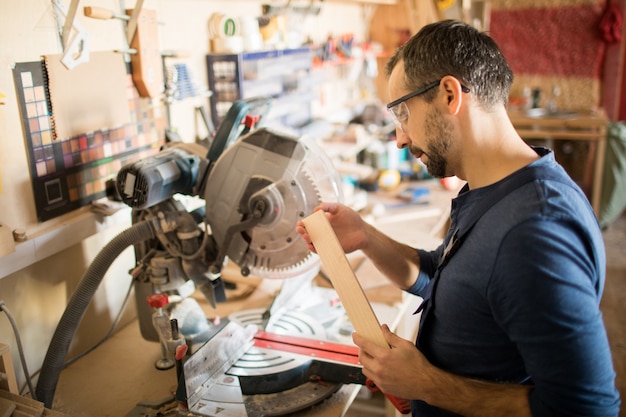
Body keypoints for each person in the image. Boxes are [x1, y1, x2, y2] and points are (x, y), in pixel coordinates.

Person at [296, 19, 620, 417]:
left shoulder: (535, 233)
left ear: (450, 95)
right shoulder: (495, 188)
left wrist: (426, 384)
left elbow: (587, 408)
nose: (399, 137)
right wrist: (364, 235)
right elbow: (445, 280)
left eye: (403, 113)